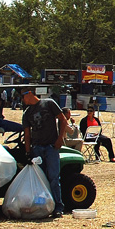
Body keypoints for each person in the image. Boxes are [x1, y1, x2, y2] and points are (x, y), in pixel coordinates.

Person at [22, 89, 68, 217]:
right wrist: (28, 152)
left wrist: (60, 138)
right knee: (39, 179)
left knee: (54, 177)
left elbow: (62, 120)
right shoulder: (27, 113)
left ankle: (58, 206)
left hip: (51, 147)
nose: (23, 100)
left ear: (29, 94)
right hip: (37, 148)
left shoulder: (48, 103)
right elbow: (27, 134)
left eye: (23, 96)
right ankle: (42, 206)